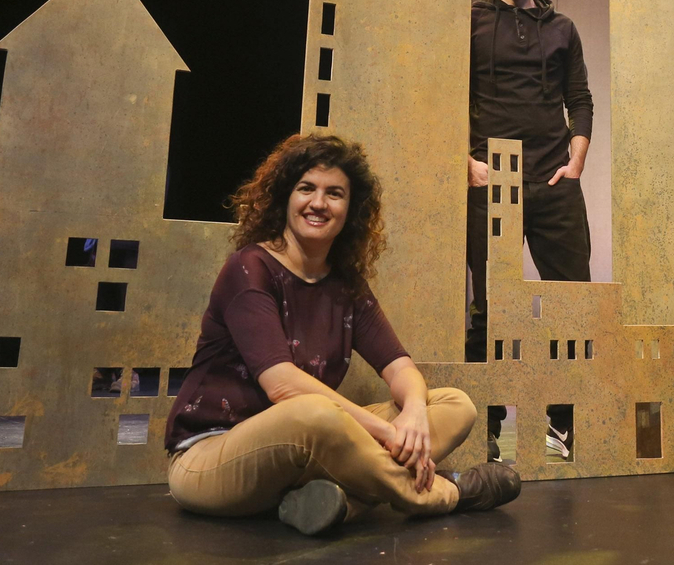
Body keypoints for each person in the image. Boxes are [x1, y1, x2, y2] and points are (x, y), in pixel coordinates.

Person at [166, 133, 519, 536]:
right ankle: (447, 493)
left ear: (350, 210)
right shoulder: (250, 268)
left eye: (334, 193)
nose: (318, 203)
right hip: (211, 457)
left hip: (304, 451)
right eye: (306, 189)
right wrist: (389, 432)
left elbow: (399, 366)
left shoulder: (345, 285)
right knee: (315, 412)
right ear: (285, 197)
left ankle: (335, 504)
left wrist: (415, 416)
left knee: (454, 404)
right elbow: (283, 387)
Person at [466, 0, 594, 460]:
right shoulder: (466, 22)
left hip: (552, 180)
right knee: (488, 309)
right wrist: (463, 162)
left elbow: (580, 97)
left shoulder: (561, 26)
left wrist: (577, 160)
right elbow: (437, 95)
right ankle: (485, 432)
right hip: (488, 182)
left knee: (572, 308)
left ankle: (562, 427)